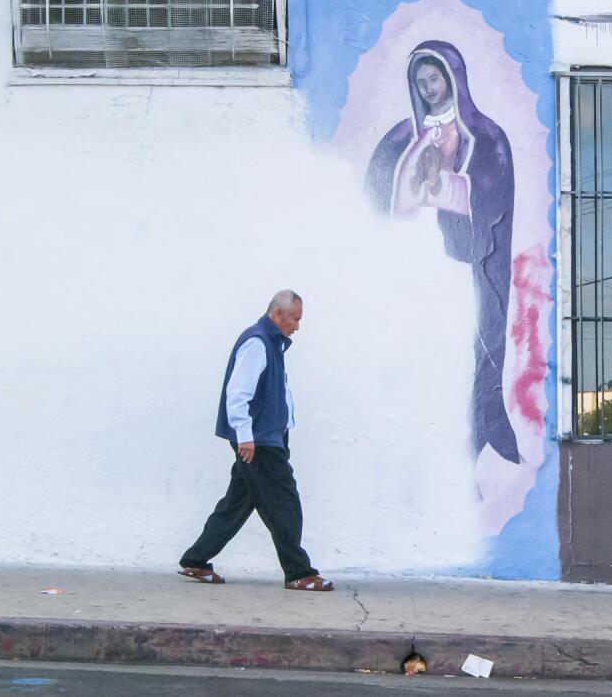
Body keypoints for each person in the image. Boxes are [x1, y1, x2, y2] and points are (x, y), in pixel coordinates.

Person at [364, 41, 521, 464]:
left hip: (458, 262)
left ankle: (476, 431)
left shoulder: (486, 136)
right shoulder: (403, 135)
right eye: (421, 82)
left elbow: (495, 202)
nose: (430, 87)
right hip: (418, 261)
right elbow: (375, 194)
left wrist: (449, 190)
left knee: (457, 346)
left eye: (435, 78)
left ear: (453, 78)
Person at [177, 290, 333, 592]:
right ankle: (299, 572)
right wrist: (245, 437)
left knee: (236, 504)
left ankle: (195, 560)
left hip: (266, 437)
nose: (298, 326)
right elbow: (238, 394)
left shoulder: (271, 344)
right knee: (285, 504)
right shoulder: (257, 343)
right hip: (259, 442)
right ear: (277, 314)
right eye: (295, 319)